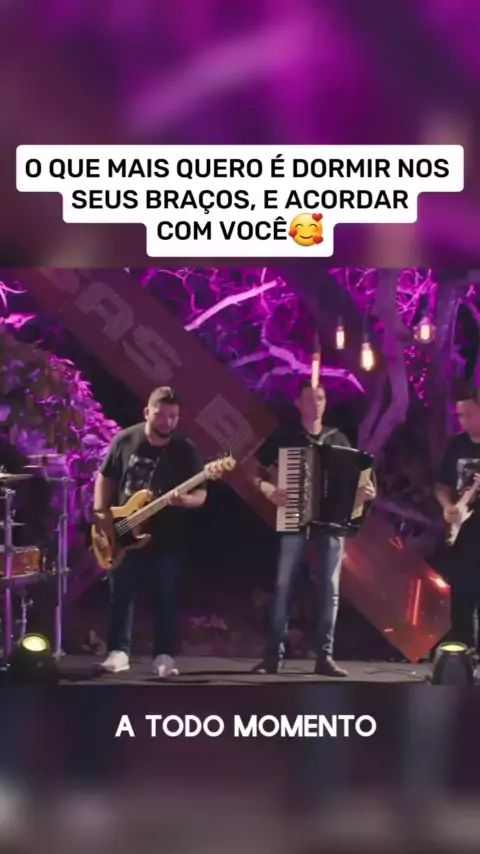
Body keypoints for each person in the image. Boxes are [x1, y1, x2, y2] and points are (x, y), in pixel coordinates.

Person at [250, 381, 376, 677]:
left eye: (320, 398)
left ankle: (325, 657)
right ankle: (273, 656)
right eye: (310, 398)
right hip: (294, 518)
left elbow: (363, 479)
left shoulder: (339, 438)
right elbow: (251, 469)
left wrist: (367, 493)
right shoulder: (285, 435)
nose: (316, 404)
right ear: (298, 403)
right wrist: (268, 488)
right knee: (284, 586)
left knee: (330, 590)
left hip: (332, 523)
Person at [93, 387, 206, 677]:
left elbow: (201, 494)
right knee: (120, 594)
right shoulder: (125, 439)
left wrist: (185, 501)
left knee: (166, 597)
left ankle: (164, 656)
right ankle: (118, 652)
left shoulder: (185, 449)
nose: (167, 421)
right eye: (161, 414)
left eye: (173, 416)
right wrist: (101, 514)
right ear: (147, 412)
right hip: (121, 531)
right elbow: (105, 477)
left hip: (167, 538)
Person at [435, 384, 480, 653]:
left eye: (469, 414)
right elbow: (441, 485)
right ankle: (462, 654)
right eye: (460, 415)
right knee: (461, 592)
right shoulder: (457, 444)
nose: (463, 421)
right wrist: (447, 506)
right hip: (463, 532)